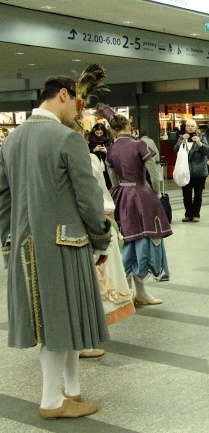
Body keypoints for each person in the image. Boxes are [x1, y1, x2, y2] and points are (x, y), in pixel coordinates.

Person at [0, 75, 112, 419]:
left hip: (24, 245)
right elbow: (89, 198)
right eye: (75, 103)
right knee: (60, 323)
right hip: (65, 243)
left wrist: (8, 241)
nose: (76, 111)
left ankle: (71, 390)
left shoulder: (11, 140)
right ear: (62, 95)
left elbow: (4, 200)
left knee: (62, 322)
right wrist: (101, 236)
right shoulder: (66, 138)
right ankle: (51, 400)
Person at [104, 105, 172, 305]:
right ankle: (139, 292)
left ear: (113, 130)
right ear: (128, 125)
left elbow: (113, 177)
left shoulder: (111, 149)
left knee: (125, 241)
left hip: (121, 195)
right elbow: (152, 171)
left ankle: (131, 291)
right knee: (144, 240)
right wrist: (155, 192)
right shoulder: (140, 145)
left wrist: (119, 192)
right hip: (142, 195)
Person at [175, 119, 209, 222]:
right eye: (188, 126)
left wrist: (199, 143)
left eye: (192, 126)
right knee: (186, 195)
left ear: (196, 128)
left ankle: (196, 214)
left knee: (198, 195)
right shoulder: (182, 137)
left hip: (199, 171)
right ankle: (188, 214)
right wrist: (182, 141)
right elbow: (175, 149)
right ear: (185, 128)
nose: (190, 127)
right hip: (186, 171)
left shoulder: (202, 137)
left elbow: (207, 151)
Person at [88, 122, 113, 189]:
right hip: (95, 168)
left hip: (107, 169)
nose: (99, 135)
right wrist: (93, 150)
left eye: (101, 133)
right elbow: (86, 155)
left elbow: (114, 156)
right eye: (97, 133)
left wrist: (106, 151)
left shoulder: (109, 142)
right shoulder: (90, 143)